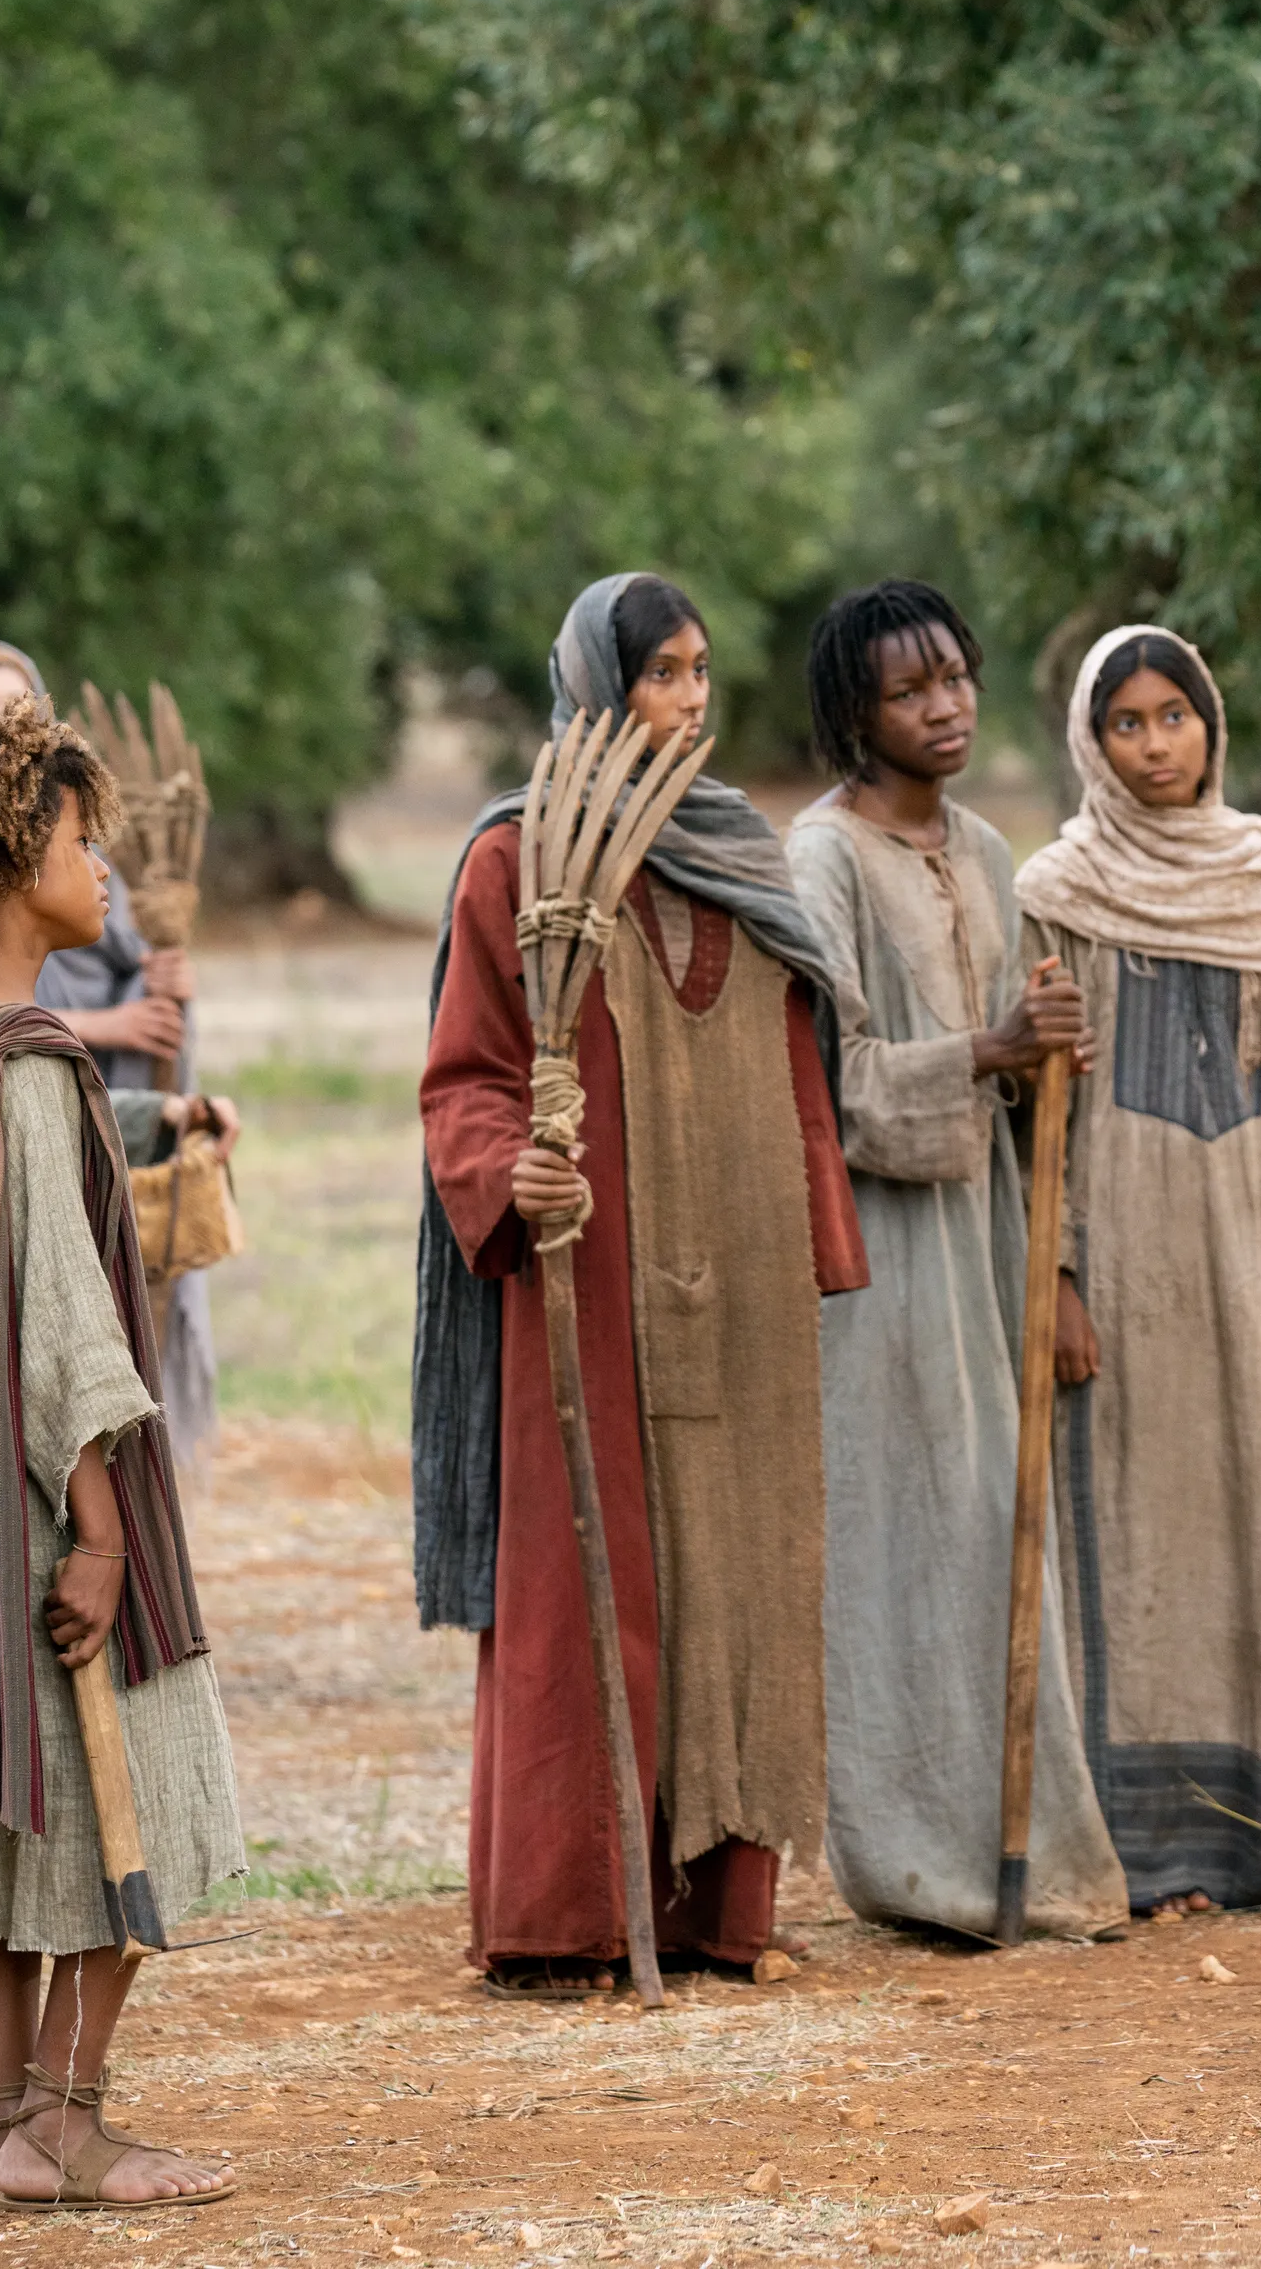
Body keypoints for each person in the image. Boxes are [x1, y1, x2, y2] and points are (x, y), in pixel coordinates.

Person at [412, 574, 866, 1994]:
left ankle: (721, 1907)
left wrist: (815, 1241)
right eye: (659, 673)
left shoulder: (742, 853)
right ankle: (572, 1914)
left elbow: (799, 1059)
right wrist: (511, 1173)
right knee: (588, 1564)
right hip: (587, 1275)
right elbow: (467, 1073)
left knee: (739, 1564)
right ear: (594, 689)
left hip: (739, 1262)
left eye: (698, 672)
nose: (685, 699)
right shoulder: (524, 857)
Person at [0, 698, 245, 2210]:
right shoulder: (26, 1063)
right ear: (16, 859)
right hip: (48, 1501)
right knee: (115, 1779)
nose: (104, 866)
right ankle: (69, 2121)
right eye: (82, 837)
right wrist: (102, 1530)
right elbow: (62, 1318)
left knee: (5, 1803)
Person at [787, 581, 1126, 1940]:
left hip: (990, 1238)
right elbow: (833, 1078)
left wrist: (1044, 1051)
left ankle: (1026, 1851)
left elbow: (1029, 1084)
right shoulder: (822, 859)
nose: (945, 708)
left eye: (956, 679)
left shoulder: (987, 851)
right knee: (900, 1531)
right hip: (879, 1257)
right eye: (909, 691)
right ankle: (913, 1864)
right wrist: (990, 1049)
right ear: (855, 714)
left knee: (994, 1525)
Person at [1020, 626, 1261, 1913]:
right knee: (1118, 1551)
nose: (1157, 744)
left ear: (1211, 722)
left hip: (1247, 1277)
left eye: (1176, 715)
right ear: (1090, 741)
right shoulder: (1058, 891)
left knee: (1251, 1543)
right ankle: (1132, 1848)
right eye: (1128, 723)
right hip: (1114, 1285)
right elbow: (1037, 1112)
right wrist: (1055, 1275)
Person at [0, 643, 223, 1494]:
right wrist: (99, 1527)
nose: (97, 863)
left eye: (21, 707)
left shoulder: (86, 887)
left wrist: (161, 992)